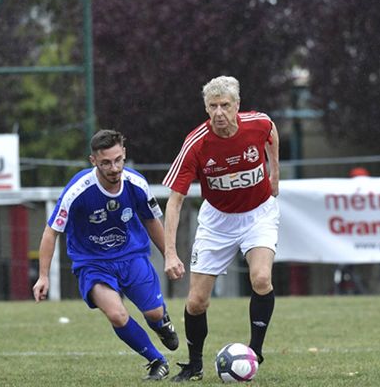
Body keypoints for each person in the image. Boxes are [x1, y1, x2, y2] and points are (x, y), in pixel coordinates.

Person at [32, 129, 180, 381]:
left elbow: (151, 220)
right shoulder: (78, 190)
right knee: (116, 314)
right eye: (106, 163)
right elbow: (51, 231)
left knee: (154, 314)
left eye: (118, 160)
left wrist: (170, 254)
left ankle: (161, 322)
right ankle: (157, 360)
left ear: (124, 154)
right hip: (93, 264)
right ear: (93, 161)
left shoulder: (136, 184)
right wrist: (43, 275)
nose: (114, 168)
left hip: (131, 256)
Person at [161, 75, 280, 382]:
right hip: (217, 222)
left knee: (261, 278)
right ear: (206, 108)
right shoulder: (196, 143)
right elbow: (174, 201)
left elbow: (271, 132)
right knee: (196, 301)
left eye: (225, 105)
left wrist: (274, 174)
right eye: (212, 106)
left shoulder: (258, 123)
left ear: (237, 105)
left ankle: (254, 352)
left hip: (258, 214)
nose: (219, 112)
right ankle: (194, 365)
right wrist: (170, 253)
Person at [346, 166, 380, 294]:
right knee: (347, 263)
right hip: (357, 238)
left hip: (375, 237)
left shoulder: (376, 195)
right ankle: (352, 288)